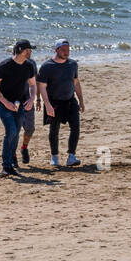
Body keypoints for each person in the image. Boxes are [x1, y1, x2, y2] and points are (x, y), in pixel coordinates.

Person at [0, 39, 38, 176]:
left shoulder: (29, 66)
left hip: (20, 104)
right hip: (3, 104)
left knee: (16, 134)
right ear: (19, 51)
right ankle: (6, 166)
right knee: (11, 131)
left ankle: (11, 164)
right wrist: (5, 102)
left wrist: (32, 98)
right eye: (27, 50)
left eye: (30, 50)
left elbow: (33, 84)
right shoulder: (5, 65)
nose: (30, 52)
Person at [38, 39, 85, 168]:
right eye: (63, 50)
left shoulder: (73, 64)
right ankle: (54, 156)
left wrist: (81, 100)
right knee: (54, 130)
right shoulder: (47, 66)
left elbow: (76, 82)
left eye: (68, 50)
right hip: (54, 102)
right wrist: (46, 104)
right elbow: (41, 86)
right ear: (56, 50)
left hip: (70, 101)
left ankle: (71, 156)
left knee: (75, 127)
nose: (66, 52)